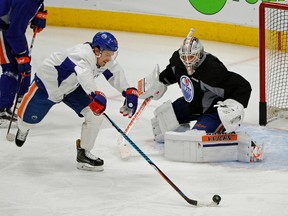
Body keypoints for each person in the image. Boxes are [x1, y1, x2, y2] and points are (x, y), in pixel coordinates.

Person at [15, 32, 139, 171]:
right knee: (27, 120)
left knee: (95, 114)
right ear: (97, 51)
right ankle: (23, 127)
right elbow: (84, 74)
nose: (110, 59)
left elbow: (114, 71)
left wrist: (128, 90)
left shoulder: (101, 57)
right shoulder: (80, 55)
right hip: (47, 88)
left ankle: (83, 155)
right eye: (108, 55)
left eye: (112, 55)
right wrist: (94, 94)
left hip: (72, 88)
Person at [137, 28, 262, 163]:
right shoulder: (178, 60)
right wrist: (159, 82)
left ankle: (231, 139)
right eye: (184, 57)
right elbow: (172, 73)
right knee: (162, 123)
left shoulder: (212, 69)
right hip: (192, 104)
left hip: (212, 110)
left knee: (194, 141)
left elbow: (242, 86)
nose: (187, 61)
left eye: (191, 57)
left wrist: (234, 106)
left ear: (200, 54)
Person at [0, 0, 48, 128]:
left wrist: (39, 13)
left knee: (23, 66)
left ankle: (22, 98)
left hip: (9, 29)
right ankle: (2, 110)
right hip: (3, 29)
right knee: (11, 69)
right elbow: (13, 33)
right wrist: (21, 56)